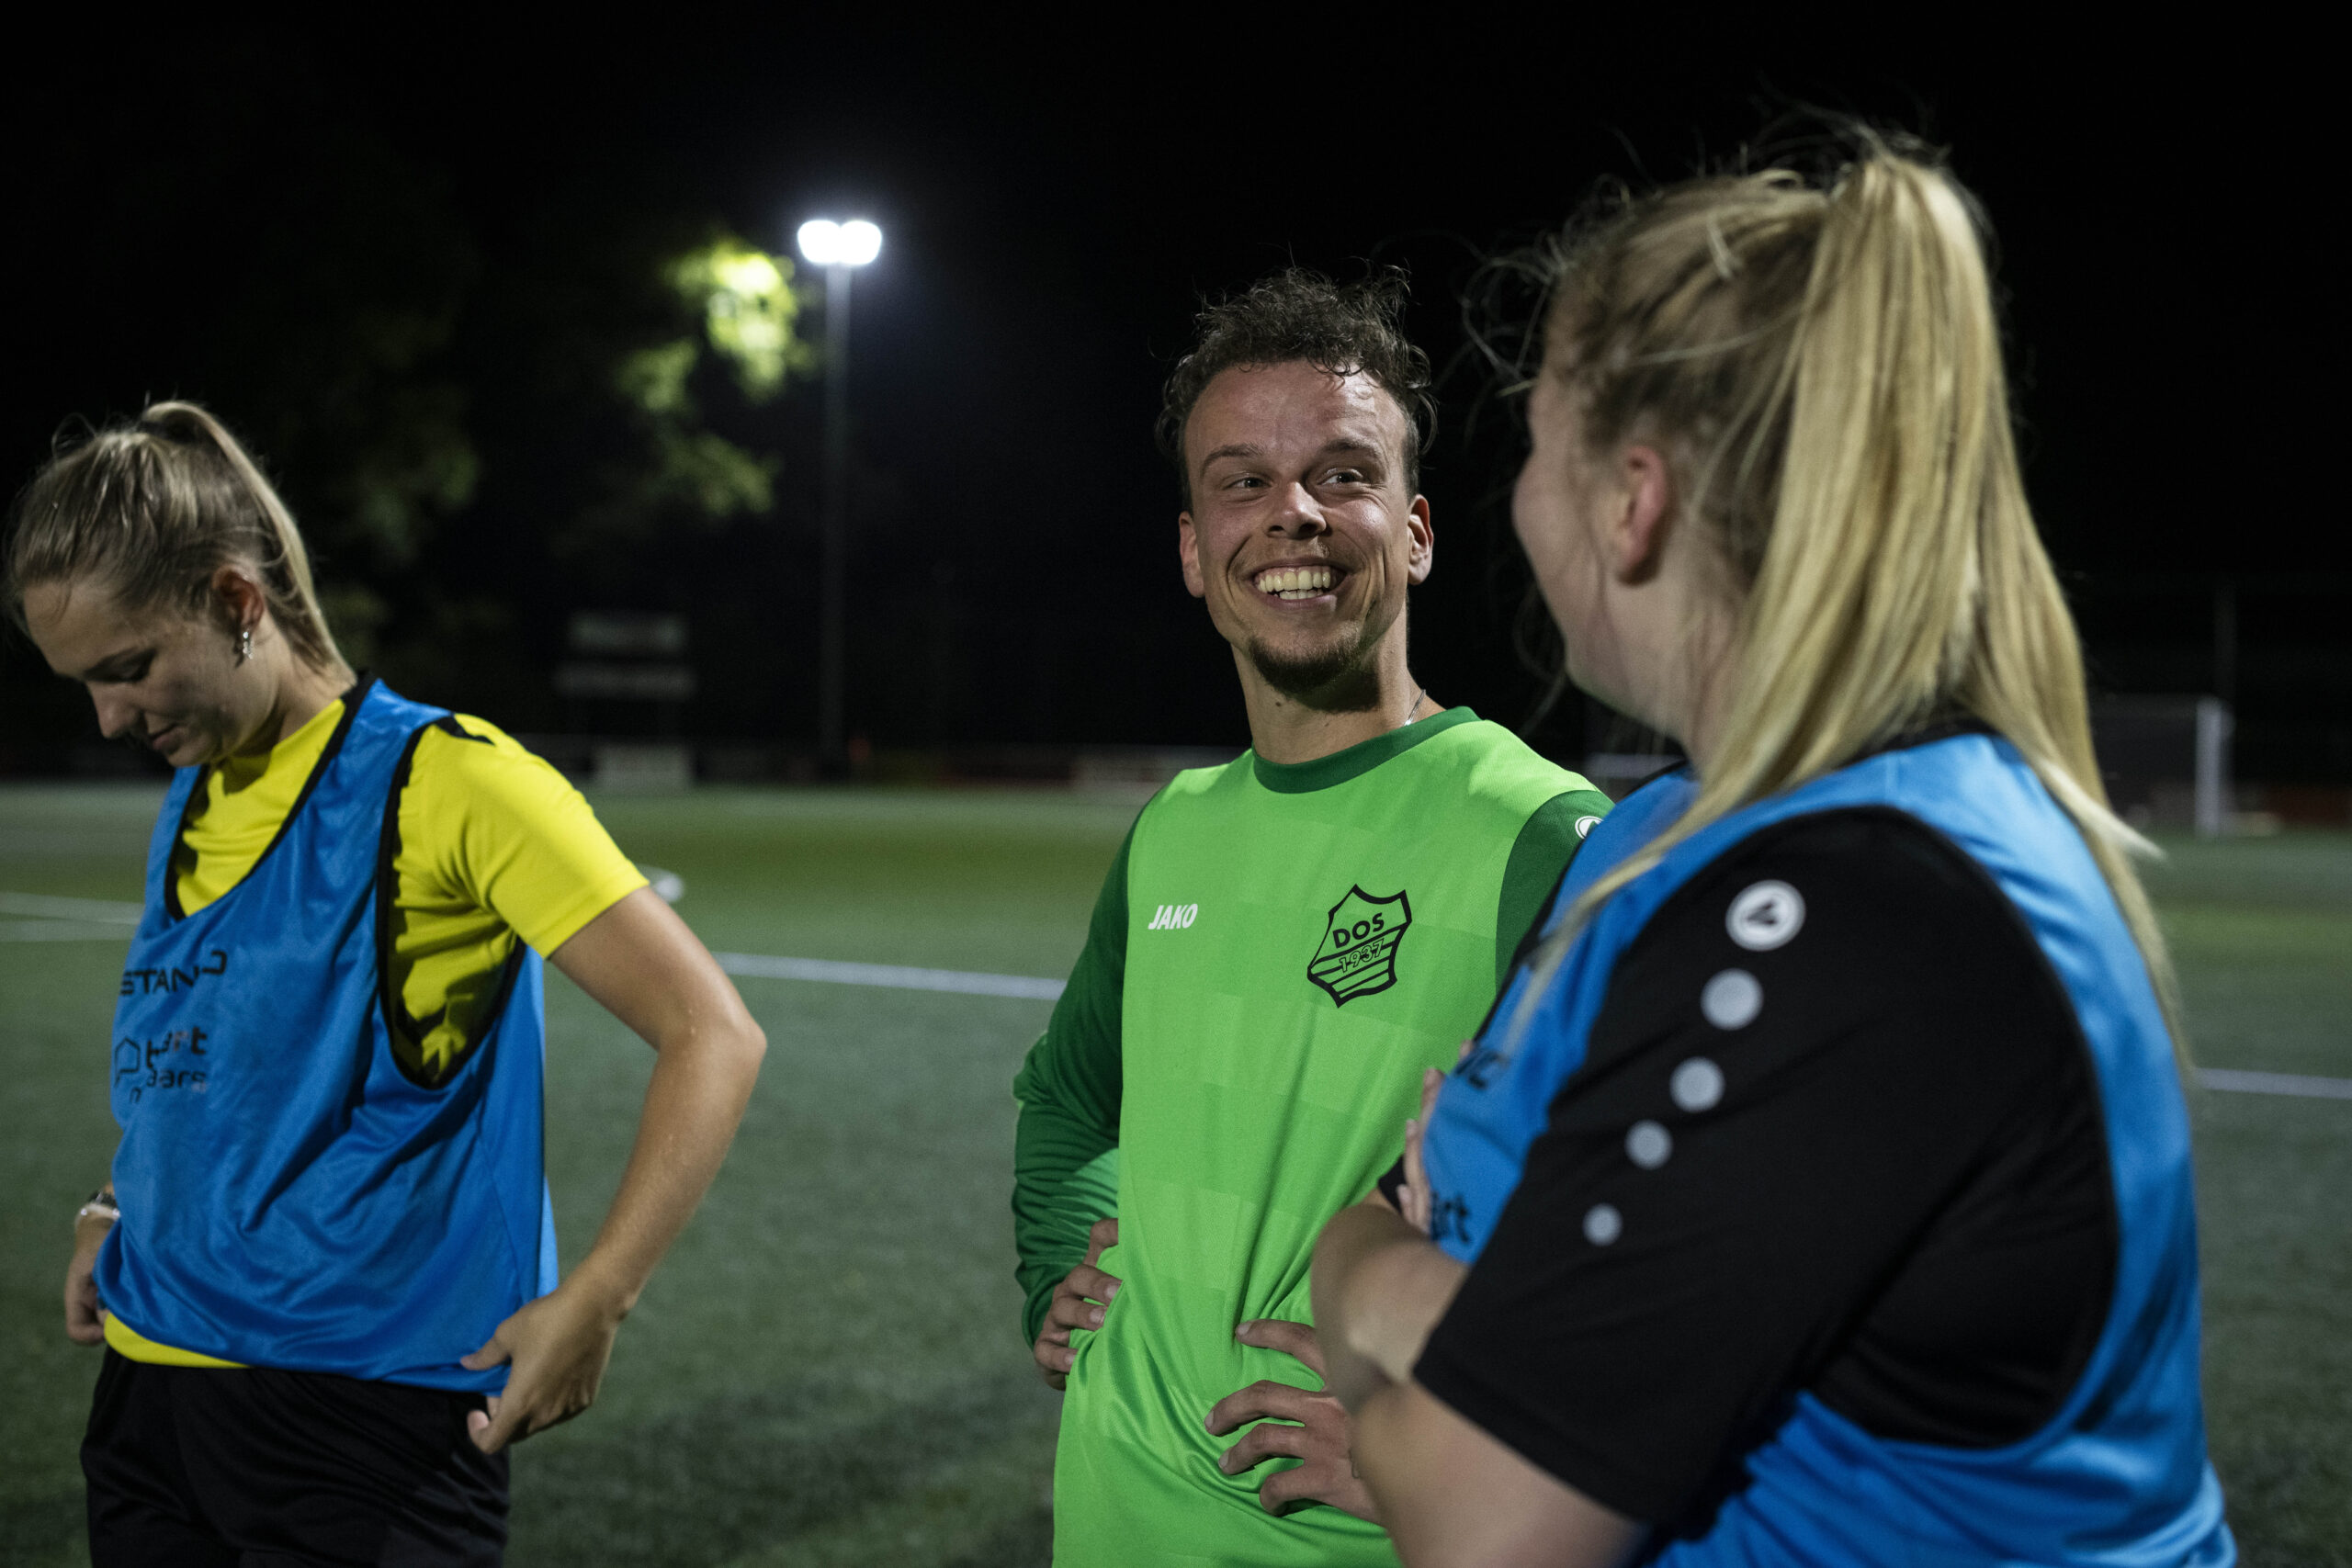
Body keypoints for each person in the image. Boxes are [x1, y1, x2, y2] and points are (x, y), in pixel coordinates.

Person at [1308, 144, 2235, 1567]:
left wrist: (1372, 1286)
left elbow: (1476, 1514)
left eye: (1537, 447)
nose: (1519, 502)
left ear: (1634, 500)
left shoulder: (1859, 908)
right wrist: (1445, 1301)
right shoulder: (1678, 835)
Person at [12, 402, 769, 1565]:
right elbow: (202, 1055)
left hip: (360, 1426)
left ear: (234, 600)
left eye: (128, 670)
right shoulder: (197, 787)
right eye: (86, 686)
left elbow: (712, 1033)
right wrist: (120, 1207)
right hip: (149, 1402)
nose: (111, 717)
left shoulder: (449, 781)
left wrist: (603, 1294)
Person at [1012, 270, 1614, 1565]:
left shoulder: (1542, 835)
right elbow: (1069, 1096)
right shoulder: (1174, 822)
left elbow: (1648, 1232)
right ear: (1192, 547)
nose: (1292, 512)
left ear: (1415, 530)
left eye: (1344, 473)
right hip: (1109, 1504)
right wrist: (1057, 1270)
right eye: (1241, 480)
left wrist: (1446, 1430)